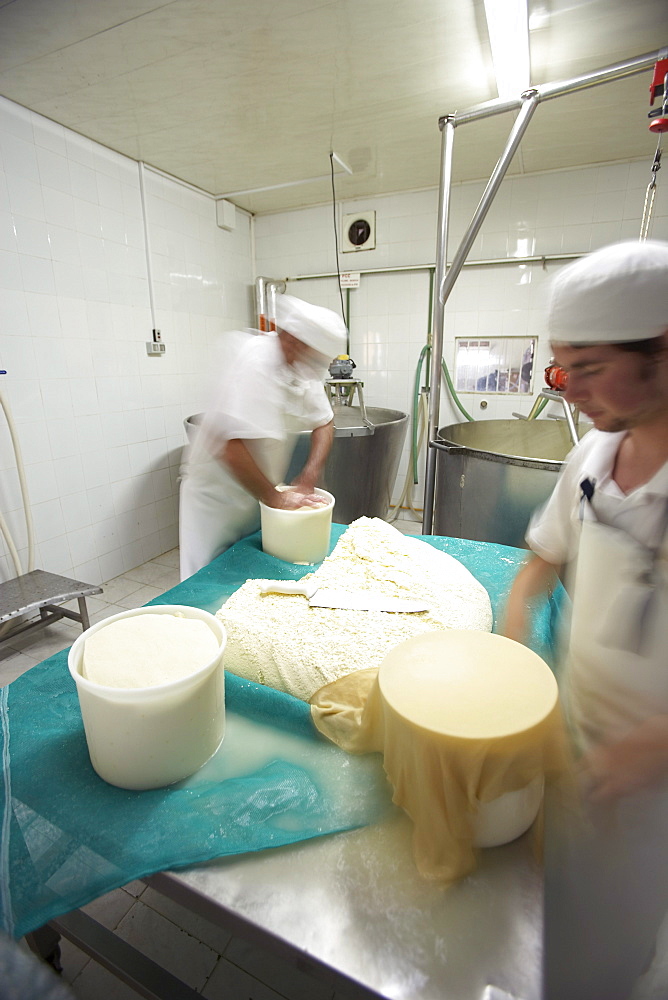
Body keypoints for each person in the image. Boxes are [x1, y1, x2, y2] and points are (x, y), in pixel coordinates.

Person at [502, 239, 668, 1000]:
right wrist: (515, 620)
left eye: (590, 368)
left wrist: (645, 754)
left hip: (646, 787)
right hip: (573, 743)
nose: (571, 390)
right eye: (563, 368)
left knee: (605, 954)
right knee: (548, 922)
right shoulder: (593, 458)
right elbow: (545, 556)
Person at [179, 294, 347, 579]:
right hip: (216, 502)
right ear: (294, 341)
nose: (314, 367)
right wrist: (275, 498)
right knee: (209, 578)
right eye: (314, 357)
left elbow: (325, 422)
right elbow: (230, 447)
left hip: (257, 494)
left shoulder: (300, 367)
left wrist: (309, 475)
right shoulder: (254, 362)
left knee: (249, 575)